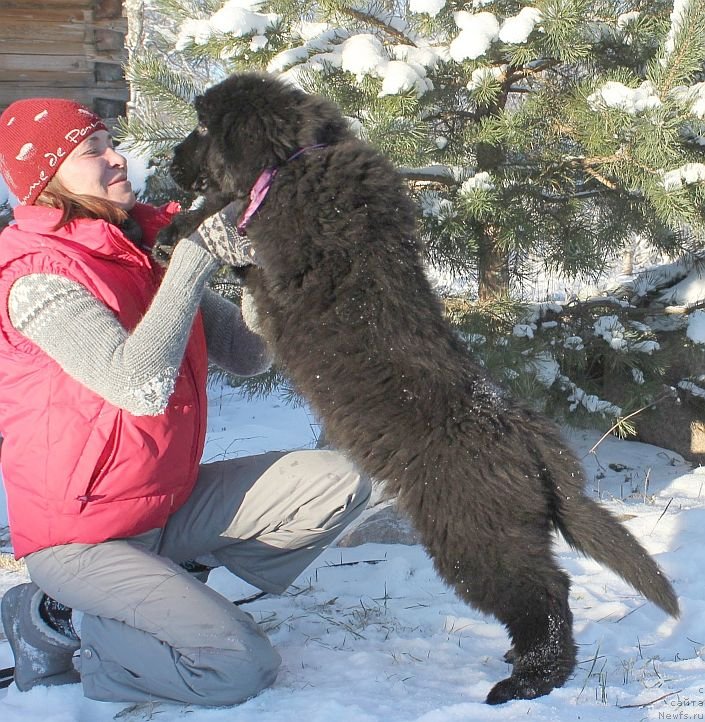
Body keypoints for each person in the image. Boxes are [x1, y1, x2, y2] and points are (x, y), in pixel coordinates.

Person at [0, 98, 370, 705]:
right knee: (237, 669)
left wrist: (256, 270)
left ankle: (171, 593)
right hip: (82, 536)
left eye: (110, 141)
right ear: (46, 179)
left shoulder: (140, 253)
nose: (117, 157)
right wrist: (195, 256)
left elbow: (249, 354)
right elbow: (137, 385)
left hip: (160, 506)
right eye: (92, 150)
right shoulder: (37, 278)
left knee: (337, 479)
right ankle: (62, 623)